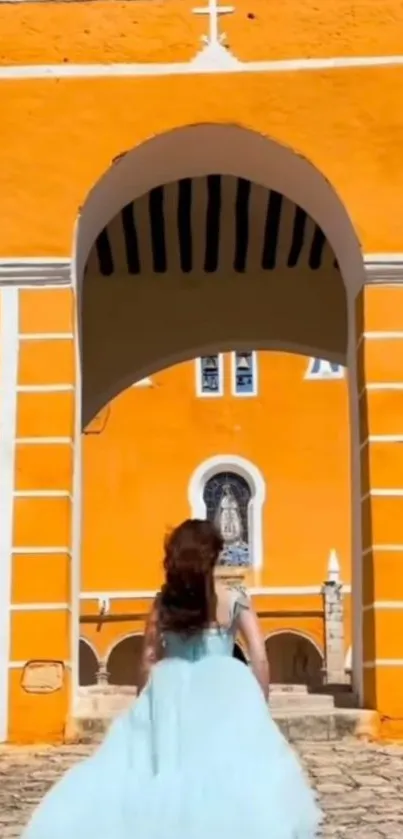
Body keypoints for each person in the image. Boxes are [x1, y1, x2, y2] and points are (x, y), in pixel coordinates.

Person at [22, 519, 322, 839]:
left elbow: (149, 656)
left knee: (157, 769)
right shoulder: (234, 599)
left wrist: (145, 703)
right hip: (224, 689)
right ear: (214, 556)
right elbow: (259, 657)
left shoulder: (164, 602)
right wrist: (257, 703)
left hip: (169, 688)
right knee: (228, 769)